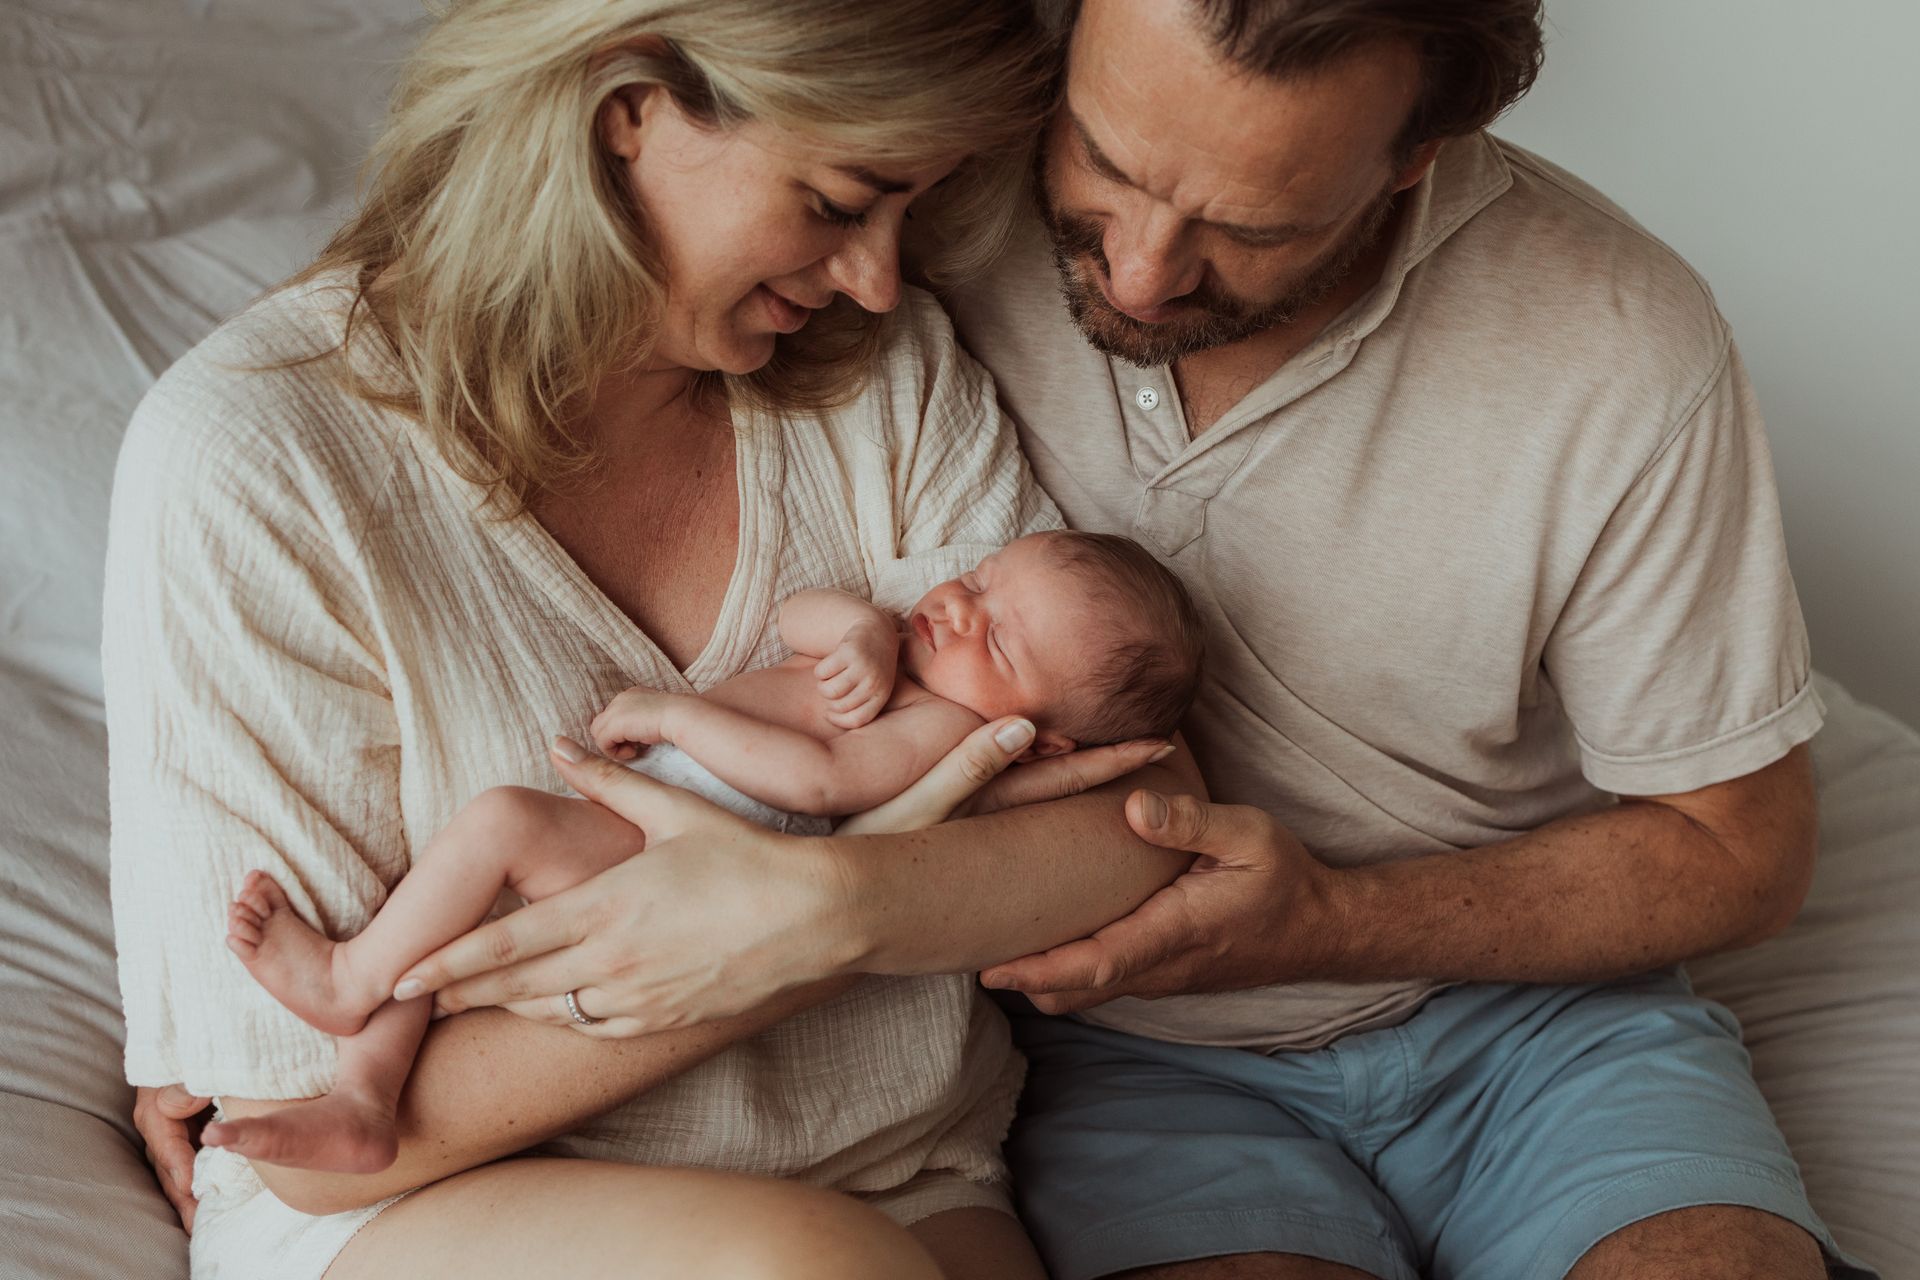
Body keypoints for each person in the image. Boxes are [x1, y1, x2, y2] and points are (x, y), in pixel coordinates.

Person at [336, 2, 1878, 1279]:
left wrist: (1331, 922)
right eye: (1107, 162)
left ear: (1417, 155)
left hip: (1543, 1027)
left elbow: (1742, 851)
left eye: (1253, 226)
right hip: (1136, 1059)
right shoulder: (924, 221)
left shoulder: (1618, 342)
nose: (1139, 272)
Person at [106, 3, 1205, 1278]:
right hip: (420, 1199)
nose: (878, 279)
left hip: (894, 1160)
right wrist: (774, 943)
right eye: (840, 203)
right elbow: (312, 1133)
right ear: (627, 113)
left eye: (913, 208)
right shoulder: (258, 463)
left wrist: (823, 911)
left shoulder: (878, 366)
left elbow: (1142, 810)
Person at [210, 531, 1202, 1175]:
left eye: (1003, 642)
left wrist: (674, 715)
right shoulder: (912, 653)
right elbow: (793, 615)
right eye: (981, 578)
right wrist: (858, 627)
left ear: (1044, 739)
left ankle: (348, 980)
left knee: (502, 823)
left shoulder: (944, 727)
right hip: (660, 826)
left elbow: (818, 779)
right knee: (446, 916)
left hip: (678, 860)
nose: (960, 608)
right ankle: (365, 1096)